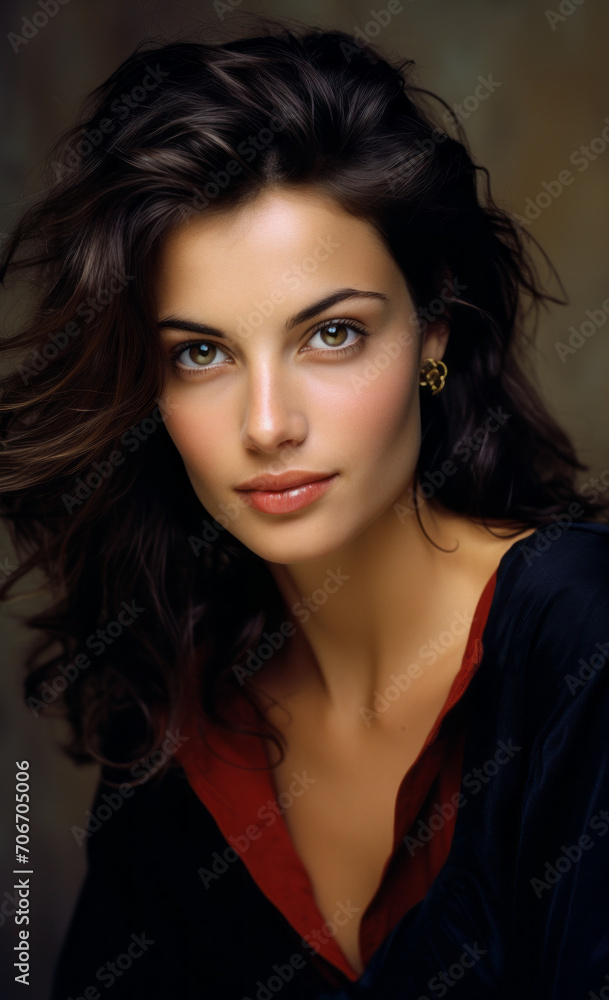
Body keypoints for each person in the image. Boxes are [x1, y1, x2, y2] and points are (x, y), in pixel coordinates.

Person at [1, 20, 608, 1000]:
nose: (269, 423)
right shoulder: (178, 731)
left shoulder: (578, 635)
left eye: (331, 334)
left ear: (432, 333)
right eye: (201, 353)